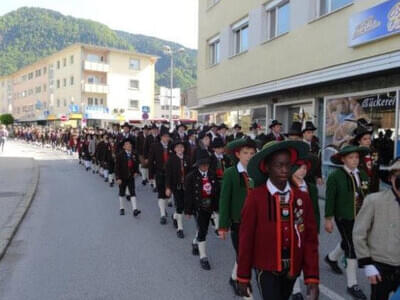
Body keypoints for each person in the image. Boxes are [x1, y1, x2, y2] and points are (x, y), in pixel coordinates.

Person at [236, 140, 319, 300]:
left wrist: (312, 278)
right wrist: (243, 276)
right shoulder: (255, 197)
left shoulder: (302, 198)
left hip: (292, 269)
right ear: (267, 167)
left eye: (288, 165)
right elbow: (246, 238)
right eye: (278, 165)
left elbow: (310, 239)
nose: (284, 170)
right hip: (266, 269)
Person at [325, 145, 370, 300]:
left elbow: (367, 194)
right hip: (343, 216)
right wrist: (328, 219)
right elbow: (330, 199)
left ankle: (331, 258)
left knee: (348, 241)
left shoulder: (363, 174)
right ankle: (352, 284)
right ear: (343, 159)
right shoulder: (335, 176)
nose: (355, 160)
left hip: (359, 216)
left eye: (357, 157)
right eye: (351, 157)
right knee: (352, 246)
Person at [353, 158, 400, 300]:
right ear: (391, 178)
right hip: (380, 266)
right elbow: (359, 233)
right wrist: (367, 264)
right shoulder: (374, 200)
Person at [218, 137, 257, 296]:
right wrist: (222, 226)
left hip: (255, 222)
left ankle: (235, 277)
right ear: (238, 154)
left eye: (252, 153)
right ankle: (244, 285)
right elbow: (224, 201)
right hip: (238, 223)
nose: (249, 156)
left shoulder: (258, 173)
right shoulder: (231, 173)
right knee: (244, 255)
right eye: (245, 153)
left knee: (246, 254)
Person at [290, 158, 321, 300]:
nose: (302, 171)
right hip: (293, 228)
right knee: (294, 258)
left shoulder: (311, 188)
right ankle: (295, 289)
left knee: (308, 257)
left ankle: (310, 283)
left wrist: (317, 229)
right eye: (299, 168)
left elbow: (315, 211)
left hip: (307, 228)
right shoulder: (288, 187)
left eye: (304, 168)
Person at [184, 149, 219, 270]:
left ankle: (195, 242)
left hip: (210, 206)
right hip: (198, 207)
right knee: (203, 229)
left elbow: (216, 192)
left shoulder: (212, 174)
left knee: (203, 227)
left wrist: (217, 208)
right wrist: (188, 210)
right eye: (202, 164)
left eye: (207, 163)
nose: (205, 166)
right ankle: (203, 257)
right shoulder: (190, 177)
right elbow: (188, 195)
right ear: (198, 164)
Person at [165, 139, 192, 238]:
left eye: (181, 147)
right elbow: (168, 175)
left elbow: (191, 173)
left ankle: (174, 216)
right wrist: (168, 187)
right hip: (176, 187)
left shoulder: (188, 159)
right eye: (178, 147)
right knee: (179, 206)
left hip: (186, 187)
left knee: (184, 206)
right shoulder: (171, 160)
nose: (180, 149)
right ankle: (180, 229)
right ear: (175, 149)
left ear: (184, 149)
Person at [148, 126, 172, 224]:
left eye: (168, 136)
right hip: (159, 172)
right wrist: (150, 175)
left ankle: (164, 208)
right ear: (161, 137)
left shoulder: (172, 146)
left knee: (168, 194)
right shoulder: (155, 146)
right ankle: (162, 214)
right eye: (165, 136)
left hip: (170, 174)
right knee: (161, 193)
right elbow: (151, 161)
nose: (167, 138)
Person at [114, 139, 140, 217]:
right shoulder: (120, 155)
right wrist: (118, 178)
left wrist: (136, 172)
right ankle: (122, 208)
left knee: (133, 192)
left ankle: (135, 209)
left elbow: (136, 164)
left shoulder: (134, 154)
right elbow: (117, 168)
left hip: (131, 177)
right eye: (127, 144)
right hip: (122, 177)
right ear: (124, 147)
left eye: (130, 144)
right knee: (122, 192)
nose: (129, 146)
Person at [351, 125, 380, 193]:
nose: (368, 141)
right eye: (365, 139)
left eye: (369, 138)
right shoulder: (355, 153)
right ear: (359, 141)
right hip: (360, 184)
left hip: (373, 185)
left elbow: (376, 169)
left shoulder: (374, 152)